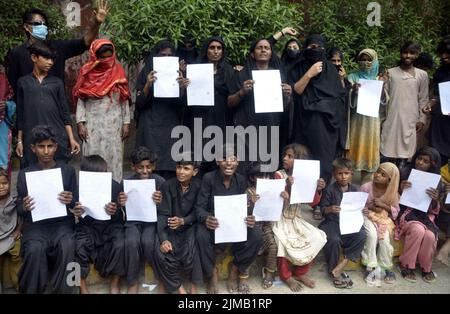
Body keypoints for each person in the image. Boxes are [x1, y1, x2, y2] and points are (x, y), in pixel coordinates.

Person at [16, 125, 78, 293]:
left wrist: (71, 200)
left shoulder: (68, 171)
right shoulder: (25, 174)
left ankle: (68, 290)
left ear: (56, 147)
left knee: (69, 246)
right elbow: (19, 208)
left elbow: (77, 203)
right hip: (36, 227)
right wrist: (24, 206)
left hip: (62, 225)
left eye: (50, 146)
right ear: (33, 148)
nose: (45, 151)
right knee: (34, 250)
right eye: (41, 146)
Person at [6, 1, 109, 99]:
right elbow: (13, 86)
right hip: (29, 109)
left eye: (44, 24)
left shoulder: (57, 47)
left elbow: (84, 43)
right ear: (26, 27)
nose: (42, 27)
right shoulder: (17, 53)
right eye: (37, 24)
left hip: (55, 107)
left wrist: (97, 24)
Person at [195, 145, 261, 294]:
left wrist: (250, 215)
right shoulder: (208, 179)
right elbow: (199, 208)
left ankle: (235, 267)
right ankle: (212, 273)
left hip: (234, 224)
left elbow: (244, 208)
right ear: (218, 161)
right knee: (200, 234)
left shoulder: (241, 180)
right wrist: (206, 219)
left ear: (238, 162)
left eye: (233, 159)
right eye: (224, 159)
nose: (229, 163)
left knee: (256, 234)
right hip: (214, 223)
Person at [290, 35, 346, 183]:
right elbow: (297, 90)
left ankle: (322, 199)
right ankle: (302, 197)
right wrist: (310, 73)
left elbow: (340, 98)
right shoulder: (298, 66)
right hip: (303, 121)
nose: (315, 50)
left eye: (319, 48)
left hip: (326, 126)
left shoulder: (330, 71)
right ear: (305, 48)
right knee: (303, 159)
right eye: (311, 47)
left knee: (324, 163)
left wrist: (324, 106)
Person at [74, 39, 131, 182]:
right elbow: (80, 98)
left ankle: (115, 193)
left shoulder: (118, 71)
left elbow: (124, 98)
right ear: (95, 56)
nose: (106, 60)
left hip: (114, 124)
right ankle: (92, 194)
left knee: (114, 158)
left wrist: (126, 122)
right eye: (102, 57)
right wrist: (80, 123)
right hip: (92, 124)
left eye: (109, 57)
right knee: (92, 158)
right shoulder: (87, 71)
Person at [15, 41, 80, 168]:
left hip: (57, 136)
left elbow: (65, 112)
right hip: (31, 137)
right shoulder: (23, 82)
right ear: (34, 58)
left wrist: (71, 138)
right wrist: (19, 141)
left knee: (58, 173)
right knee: (33, 174)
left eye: (52, 59)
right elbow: (21, 114)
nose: (50, 62)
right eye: (46, 58)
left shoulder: (57, 82)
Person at [272, 143, 327, 291]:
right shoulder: (279, 175)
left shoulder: (306, 177)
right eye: (285, 155)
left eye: (290, 156)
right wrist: (288, 186)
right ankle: (286, 276)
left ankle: (300, 273)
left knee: (318, 237)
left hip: (295, 218)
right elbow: (275, 204)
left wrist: (318, 189)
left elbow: (312, 203)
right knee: (282, 243)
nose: (285, 158)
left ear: (300, 161)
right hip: (280, 219)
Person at [227, 38, 292, 163]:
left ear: (271, 53)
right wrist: (242, 92)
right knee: (245, 163)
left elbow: (284, 106)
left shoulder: (277, 75)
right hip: (246, 128)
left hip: (269, 126)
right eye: (259, 47)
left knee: (266, 164)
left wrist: (288, 95)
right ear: (252, 53)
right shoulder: (242, 74)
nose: (263, 50)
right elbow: (230, 102)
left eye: (266, 48)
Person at [135, 40, 188, 180]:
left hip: (170, 125)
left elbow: (182, 104)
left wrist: (182, 86)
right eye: (162, 55)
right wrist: (148, 84)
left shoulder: (178, 73)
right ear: (155, 56)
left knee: (170, 166)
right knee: (150, 167)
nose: (166, 58)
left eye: (169, 55)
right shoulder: (146, 72)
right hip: (150, 125)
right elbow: (139, 103)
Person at [183, 36, 236, 176]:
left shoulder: (229, 71)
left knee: (219, 155)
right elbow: (187, 99)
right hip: (200, 117)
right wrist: (185, 86)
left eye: (219, 48)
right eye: (212, 48)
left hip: (222, 118)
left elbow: (233, 95)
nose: (216, 51)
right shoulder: (195, 70)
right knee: (200, 155)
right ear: (206, 50)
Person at [73, 155, 125, 294]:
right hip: (88, 227)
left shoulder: (115, 186)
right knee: (77, 244)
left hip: (111, 227)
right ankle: (82, 286)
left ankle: (115, 283)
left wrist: (115, 210)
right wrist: (77, 211)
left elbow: (120, 216)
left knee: (121, 242)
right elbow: (76, 214)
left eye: (103, 173)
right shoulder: (79, 189)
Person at [117, 146, 165, 293]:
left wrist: (160, 201)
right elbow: (121, 210)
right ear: (133, 167)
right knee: (131, 241)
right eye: (140, 167)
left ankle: (162, 279)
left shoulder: (160, 182)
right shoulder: (126, 182)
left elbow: (166, 210)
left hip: (152, 221)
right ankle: (132, 281)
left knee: (148, 242)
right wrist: (121, 202)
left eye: (148, 167)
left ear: (153, 166)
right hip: (133, 221)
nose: (145, 171)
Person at [154, 152, 203, 294]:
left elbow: (199, 211)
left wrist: (183, 221)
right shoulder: (167, 185)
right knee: (161, 252)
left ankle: (193, 287)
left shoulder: (200, 186)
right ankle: (179, 288)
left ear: (195, 171)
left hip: (190, 227)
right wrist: (163, 240)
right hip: (170, 228)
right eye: (179, 167)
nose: (181, 172)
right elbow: (163, 214)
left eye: (186, 168)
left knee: (194, 248)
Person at [396, 146, 441, 283]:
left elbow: (434, 208)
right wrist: (400, 189)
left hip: (425, 217)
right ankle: (405, 265)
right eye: (419, 158)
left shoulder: (436, 181)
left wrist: (435, 198)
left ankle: (425, 266)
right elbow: (393, 198)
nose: (420, 162)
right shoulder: (404, 172)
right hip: (406, 213)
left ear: (432, 165)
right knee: (417, 230)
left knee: (429, 235)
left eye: (425, 161)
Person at [380, 41, 429, 168]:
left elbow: (423, 98)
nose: (408, 56)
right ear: (401, 54)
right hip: (392, 118)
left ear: (417, 55)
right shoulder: (390, 72)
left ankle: (400, 180)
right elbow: (382, 97)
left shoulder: (422, 75)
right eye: (405, 52)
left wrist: (422, 118)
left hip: (410, 120)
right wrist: (381, 84)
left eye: (412, 53)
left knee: (405, 156)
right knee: (387, 153)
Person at [319, 158, 366, 289]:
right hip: (332, 222)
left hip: (349, 222)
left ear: (351, 173)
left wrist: (363, 210)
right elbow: (322, 210)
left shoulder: (354, 190)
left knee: (361, 235)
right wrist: (329, 209)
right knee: (333, 240)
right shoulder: (329, 190)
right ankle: (333, 270)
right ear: (334, 175)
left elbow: (357, 209)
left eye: (346, 173)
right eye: (340, 173)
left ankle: (342, 264)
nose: (343, 176)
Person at [360, 162, 400, 285]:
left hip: (383, 219)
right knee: (371, 235)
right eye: (378, 171)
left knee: (385, 240)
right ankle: (370, 266)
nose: (377, 175)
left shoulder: (392, 191)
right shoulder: (366, 187)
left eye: (383, 175)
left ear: (390, 180)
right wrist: (366, 208)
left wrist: (383, 205)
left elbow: (396, 211)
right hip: (366, 216)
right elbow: (358, 204)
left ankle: (386, 267)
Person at [346, 49, 382, 183]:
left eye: (369, 59)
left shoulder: (379, 78)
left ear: (375, 61)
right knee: (353, 151)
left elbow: (384, 102)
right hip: (357, 121)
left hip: (372, 123)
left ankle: (366, 186)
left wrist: (382, 86)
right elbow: (347, 99)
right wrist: (353, 91)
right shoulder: (353, 77)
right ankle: (346, 183)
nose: (365, 62)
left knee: (370, 151)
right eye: (362, 59)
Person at [246, 161, 280, 289]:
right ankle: (244, 274)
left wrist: (284, 198)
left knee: (272, 246)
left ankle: (270, 273)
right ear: (252, 177)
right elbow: (244, 213)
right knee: (250, 247)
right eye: (260, 176)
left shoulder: (273, 191)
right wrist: (251, 202)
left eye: (267, 176)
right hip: (251, 226)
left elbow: (278, 210)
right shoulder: (248, 191)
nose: (265, 179)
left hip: (265, 225)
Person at [424, 36, 450, 165]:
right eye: (442, 53)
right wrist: (431, 103)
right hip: (440, 121)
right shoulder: (440, 71)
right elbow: (435, 94)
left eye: (448, 53)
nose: (444, 56)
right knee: (435, 156)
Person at [0, 168, 22, 292]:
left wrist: (19, 229)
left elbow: (21, 217)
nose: (2, 187)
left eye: (4, 183)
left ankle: (18, 284)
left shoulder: (15, 200)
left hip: (12, 235)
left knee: (18, 253)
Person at [0, 71, 15, 176]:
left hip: (2, 129)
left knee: (3, 169)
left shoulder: (1, 79)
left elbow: (12, 104)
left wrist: (6, 105)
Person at [435, 158, 450, 266]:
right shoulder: (440, 174)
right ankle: (444, 251)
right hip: (440, 214)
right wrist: (445, 194)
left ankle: (445, 249)